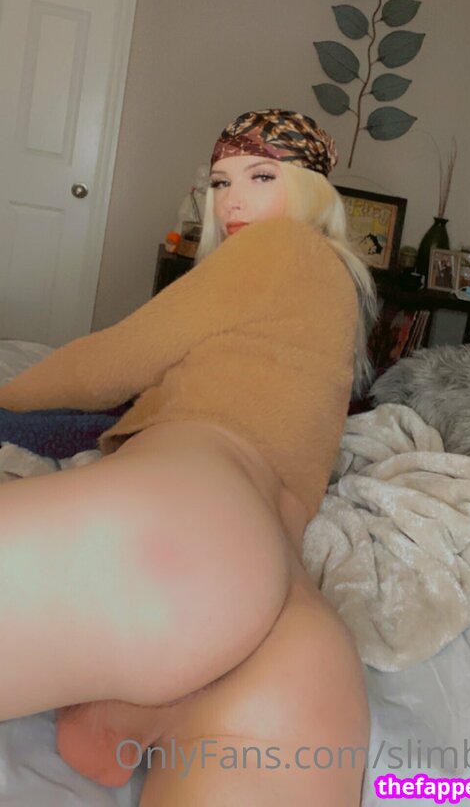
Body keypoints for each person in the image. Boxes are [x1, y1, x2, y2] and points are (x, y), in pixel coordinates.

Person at [0, 109, 378, 805]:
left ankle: (123, 692)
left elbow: (111, 363)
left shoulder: (279, 248)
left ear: (310, 191)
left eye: (260, 176)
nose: (233, 201)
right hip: (290, 617)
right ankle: (130, 707)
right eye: (221, 182)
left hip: (188, 528)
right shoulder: (335, 298)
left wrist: (7, 395)